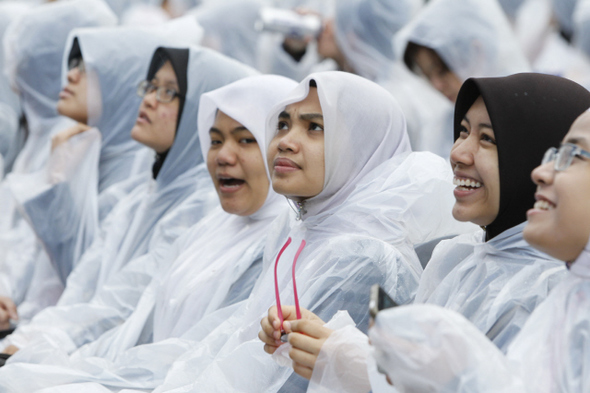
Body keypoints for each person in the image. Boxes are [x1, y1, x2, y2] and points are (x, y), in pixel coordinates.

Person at [145, 71, 465, 392]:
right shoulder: (300, 230)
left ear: (357, 147)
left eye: (314, 128)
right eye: (282, 124)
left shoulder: (365, 256)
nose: (285, 141)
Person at [270, 73, 590, 392]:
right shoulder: (457, 256)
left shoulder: (541, 290)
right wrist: (344, 352)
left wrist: (365, 367)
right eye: (462, 132)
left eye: (488, 139)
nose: (458, 153)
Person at [0, 74, 298, 392]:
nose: (223, 155)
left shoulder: (279, 243)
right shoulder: (212, 226)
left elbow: (205, 358)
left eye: (245, 139)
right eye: (214, 140)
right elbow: (128, 309)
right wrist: (51, 358)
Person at [370, 108, 590, 393]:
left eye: (573, 156)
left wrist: (464, 374)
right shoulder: (571, 295)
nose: (540, 172)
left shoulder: (545, 288)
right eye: (462, 131)